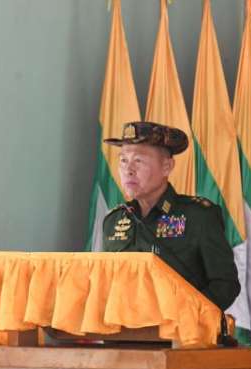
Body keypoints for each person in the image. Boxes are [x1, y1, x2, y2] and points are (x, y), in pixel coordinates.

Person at [101, 121, 239, 310]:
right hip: (123, 327)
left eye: (138, 161)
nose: (128, 170)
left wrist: (185, 316)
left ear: (166, 167)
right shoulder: (114, 220)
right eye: (123, 160)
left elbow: (225, 285)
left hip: (180, 326)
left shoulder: (198, 216)